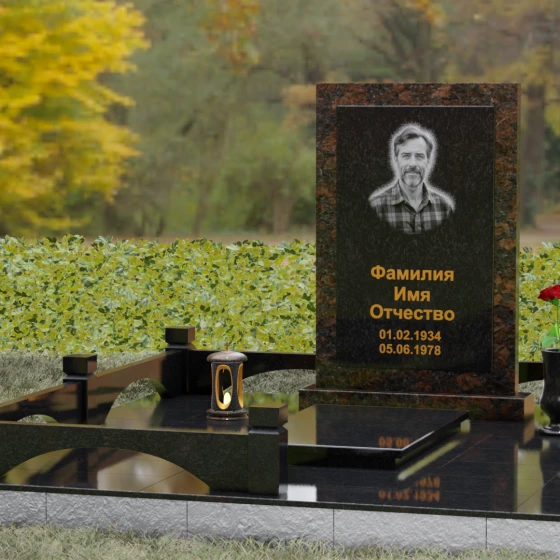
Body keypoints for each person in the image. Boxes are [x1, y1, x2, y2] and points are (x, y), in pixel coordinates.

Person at [368, 124, 455, 234]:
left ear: (428, 161)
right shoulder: (376, 208)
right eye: (406, 156)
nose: (413, 164)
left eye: (419, 156)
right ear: (396, 160)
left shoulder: (445, 208)